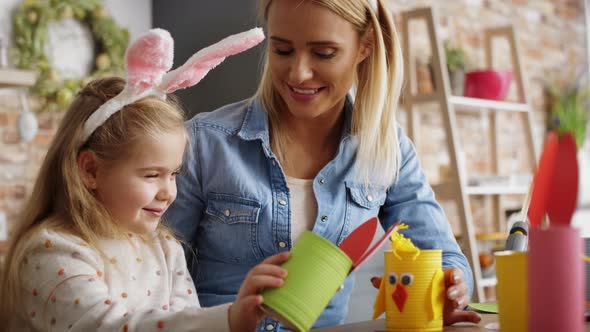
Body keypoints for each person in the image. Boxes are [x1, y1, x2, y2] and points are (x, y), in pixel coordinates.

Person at [165, 0, 481, 330]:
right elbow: (148, 276)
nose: (299, 72)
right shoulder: (203, 143)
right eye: (283, 50)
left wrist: (448, 289)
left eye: (323, 53)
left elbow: (446, 258)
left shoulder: (387, 148)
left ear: (366, 45)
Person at [0, 28, 290, 332]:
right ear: (90, 171)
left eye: (174, 174)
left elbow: (185, 320)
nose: (168, 192)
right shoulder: (51, 251)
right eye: (152, 175)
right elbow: (106, 326)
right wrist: (227, 319)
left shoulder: (164, 247)